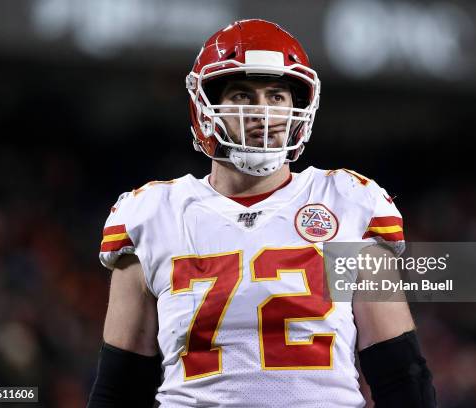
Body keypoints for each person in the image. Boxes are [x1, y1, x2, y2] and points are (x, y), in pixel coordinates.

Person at [88, 19, 436, 408]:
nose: (263, 112)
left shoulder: (349, 203)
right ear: (205, 107)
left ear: (299, 106)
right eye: (242, 95)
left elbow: (399, 372)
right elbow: (120, 388)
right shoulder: (151, 215)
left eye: (277, 96)